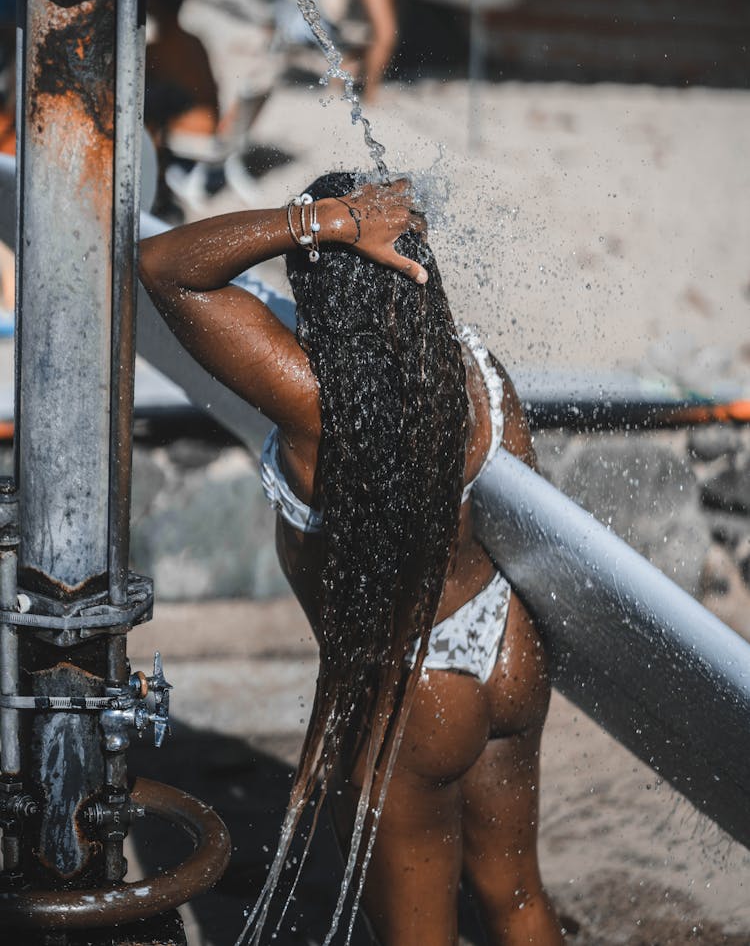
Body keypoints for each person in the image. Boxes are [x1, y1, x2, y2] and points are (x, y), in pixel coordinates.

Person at [139, 173, 564, 946]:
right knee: (518, 900)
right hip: (509, 647)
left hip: (413, 693)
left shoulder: (316, 405)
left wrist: (325, 223)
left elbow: (165, 265)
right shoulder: (474, 371)